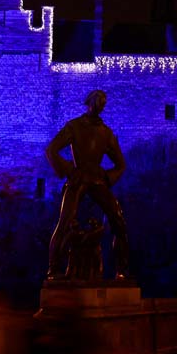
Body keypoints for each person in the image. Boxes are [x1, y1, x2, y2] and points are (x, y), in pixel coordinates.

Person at [45, 90, 129, 279]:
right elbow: (51, 150)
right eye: (99, 101)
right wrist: (70, 171)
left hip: (97, 180)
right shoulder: (74, 127)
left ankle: (122, 270)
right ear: (89, 102)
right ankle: (53, 268)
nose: (101, 105)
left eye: (104, 102)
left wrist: (107, 178)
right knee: (65, 221)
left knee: (118, 220)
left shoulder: (106, 133)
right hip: (79, 178)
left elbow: (121, 164)